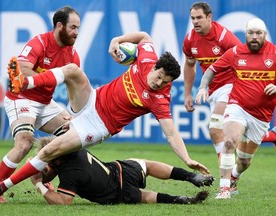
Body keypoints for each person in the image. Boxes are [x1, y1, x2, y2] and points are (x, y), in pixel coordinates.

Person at [0, 31, 212, 198]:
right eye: (159, 76)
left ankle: (2, 187)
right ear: (155, 67)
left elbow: (171, 134)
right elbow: (144, 37)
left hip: (98, 126)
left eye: (165, 81)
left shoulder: (160, 99)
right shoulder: (145, 58)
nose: (159, 82)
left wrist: (187, 159)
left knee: (50, 150)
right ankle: (25, 82)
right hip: (92, 100)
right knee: (73, 71)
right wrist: (115, 41)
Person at [0, 6, 81, 203]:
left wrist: (73, 113)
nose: (76, 33)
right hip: (21, 98)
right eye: (73, 27)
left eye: (78, 28)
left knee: (72, 136)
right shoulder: (39, 42)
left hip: (46, 103)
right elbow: (21, 70)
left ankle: (43, 176)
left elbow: (75, 87)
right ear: (59, 26)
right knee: (25, 142)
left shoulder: (72, 55)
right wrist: (48, 79)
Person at [195, 18, 276, 199]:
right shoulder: (236, 52)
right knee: (230, 140)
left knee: (244, 161)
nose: (254, 37)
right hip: (237, 106)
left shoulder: (274, 54)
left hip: (262, 116)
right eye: (250, 33)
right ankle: (224, 189)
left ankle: (235, 176)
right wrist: (203, 87)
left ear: (265, 35)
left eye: (258, 33)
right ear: (245, 34)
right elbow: (211, 70)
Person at [28, 137, 214, 205]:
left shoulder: (70, 174)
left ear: (56, 160)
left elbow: (64, 201)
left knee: (145, 197)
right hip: (120, 170)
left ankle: (180, 200)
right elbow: (53, 170)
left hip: (117, 194)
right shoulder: (75, 149)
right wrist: (44, 172)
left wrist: (38, 184)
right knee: (145, 164)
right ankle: (191, 176)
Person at [182, 2, 242, 159]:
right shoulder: (190, 39)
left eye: (199, 17)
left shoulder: (224, 37)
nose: (195, 21)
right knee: (220, 135)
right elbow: (190, 65)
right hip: (213, 91)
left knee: (215, 128)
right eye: (193, 18)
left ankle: (227, 177)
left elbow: (245, 61)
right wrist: (187, 94)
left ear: (209, 17)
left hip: (231, 87)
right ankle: (231, 175)